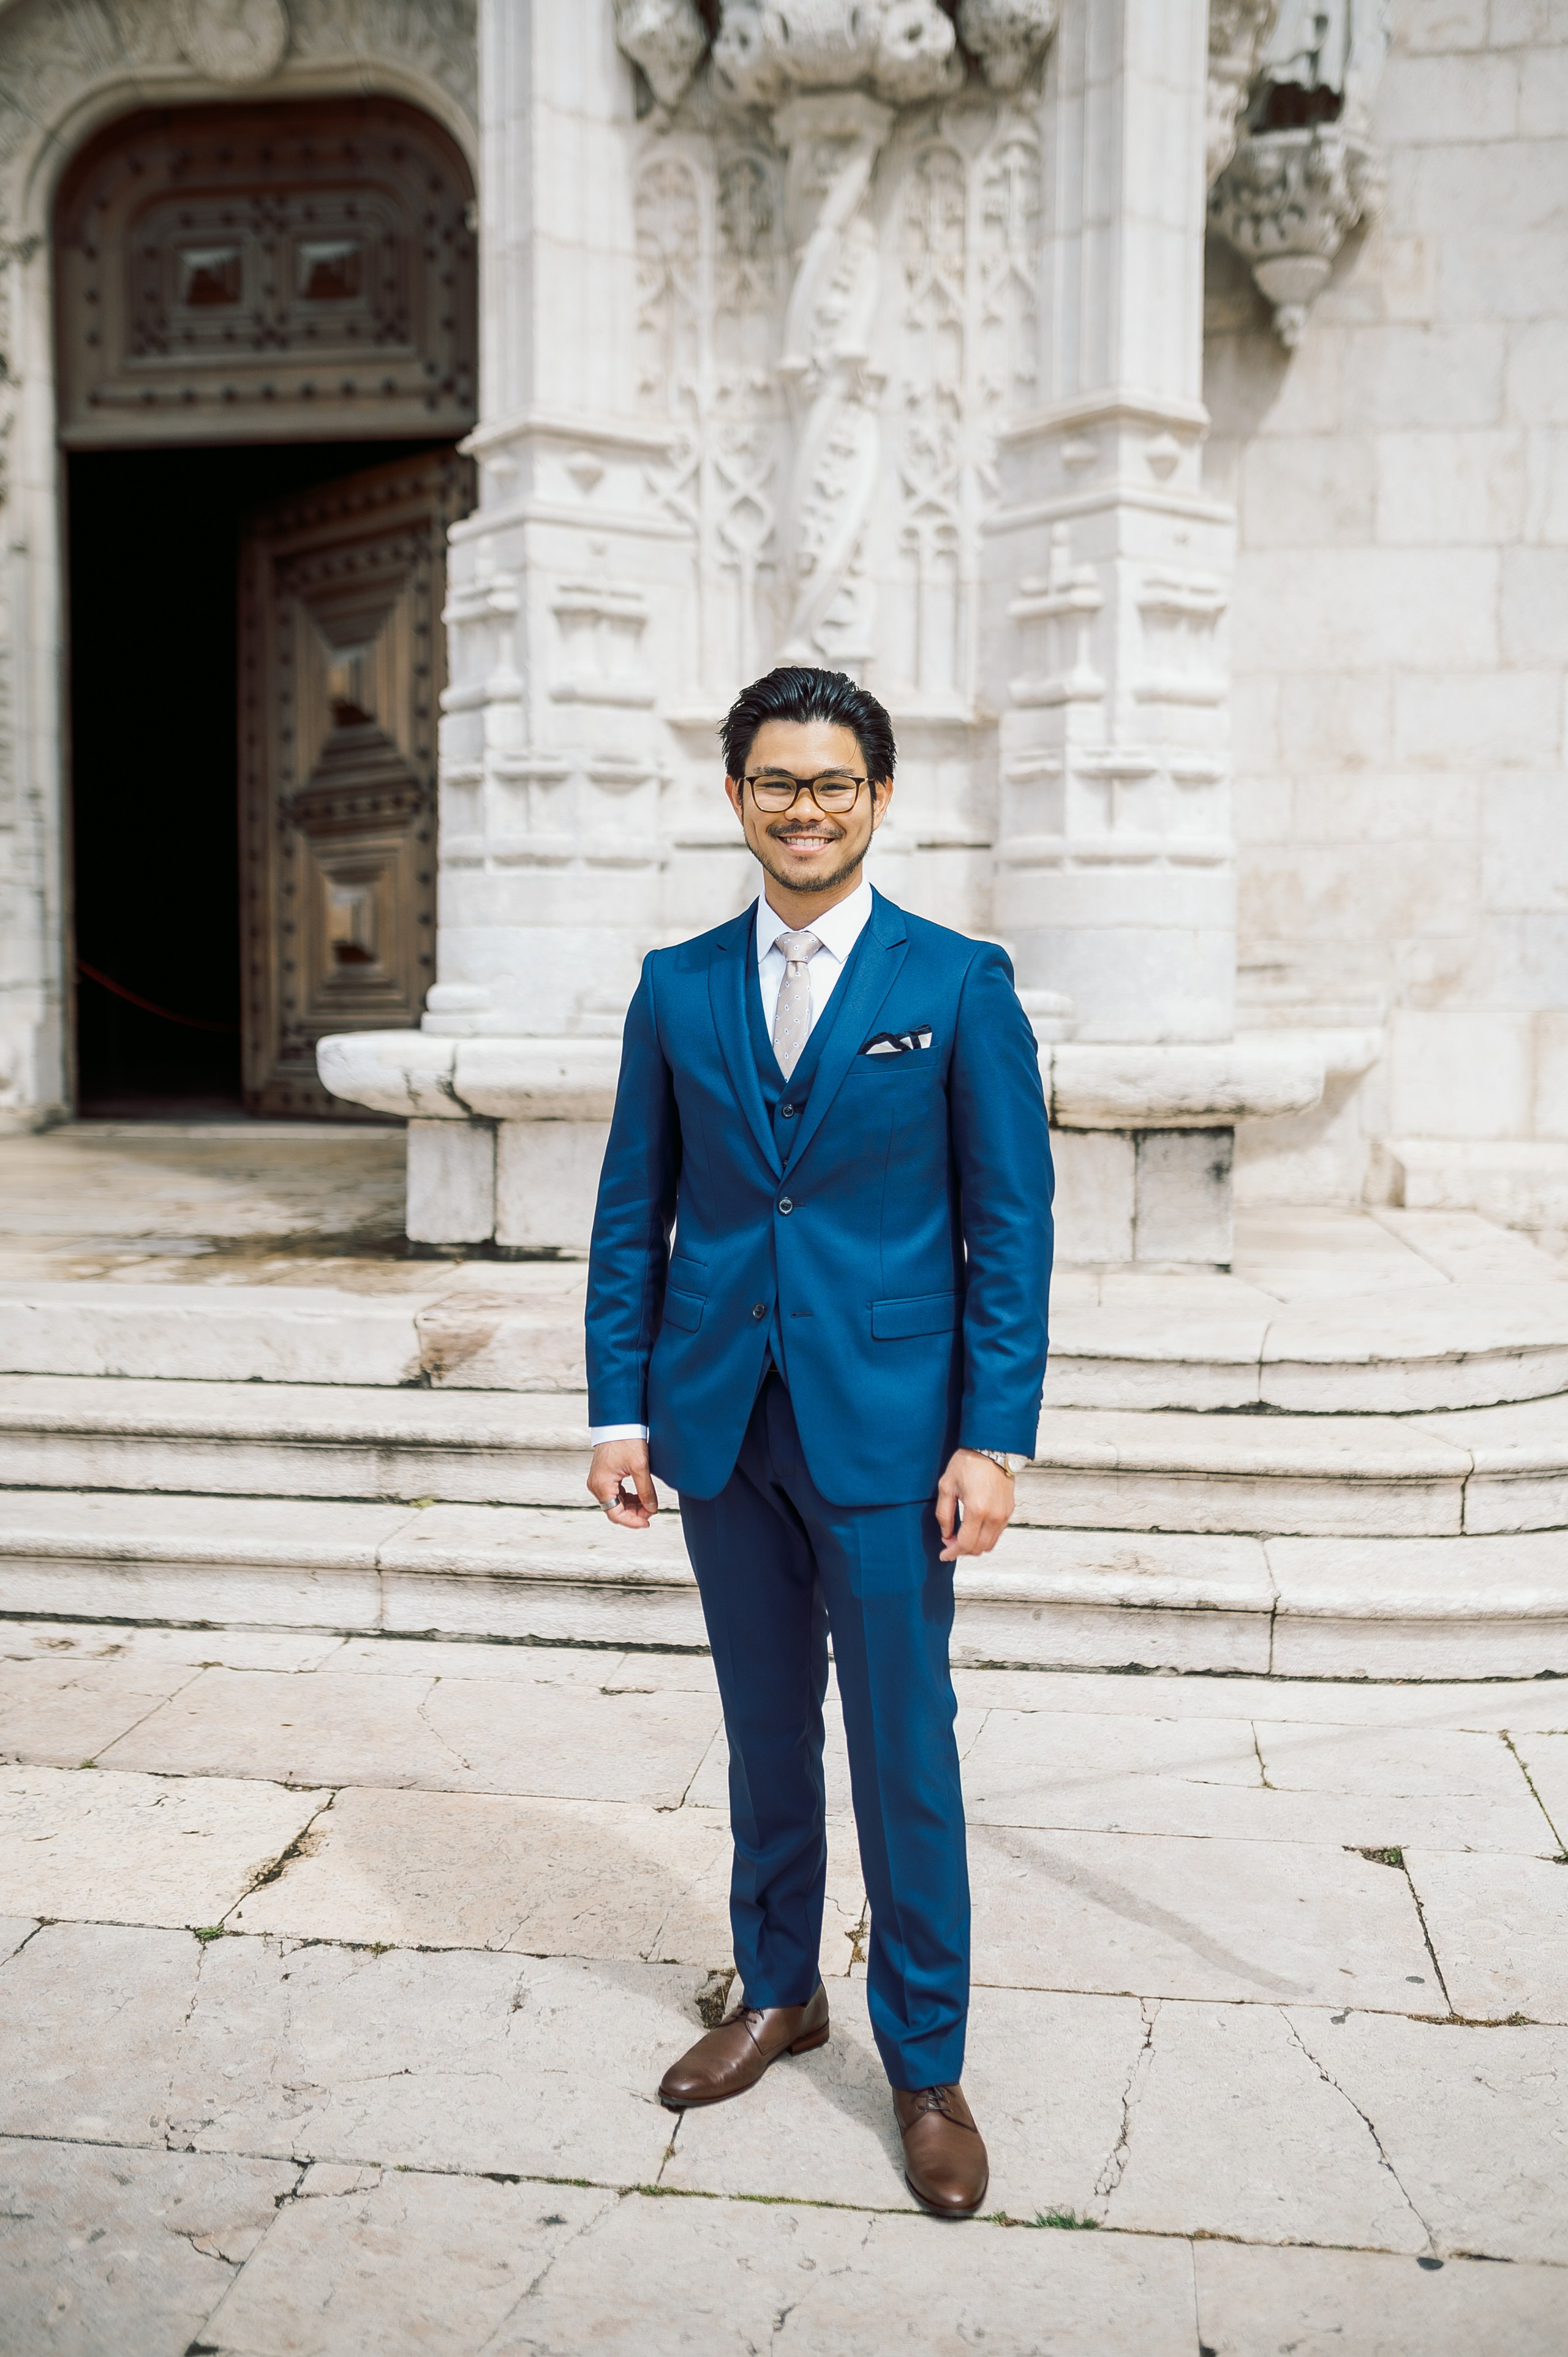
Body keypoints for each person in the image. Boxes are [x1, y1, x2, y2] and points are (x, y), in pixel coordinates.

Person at [584, 665, 1053, 2218]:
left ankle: (926, 2062)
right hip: (720, 1423)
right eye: (775, 783)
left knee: (903, 1752)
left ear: (879, 798)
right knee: (763, 1729)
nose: (803, 808)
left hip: (890, 1435)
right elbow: (628, 1214)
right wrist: (619, 1405)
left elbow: (1007, 1225)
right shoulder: (674, 983)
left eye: (832, 784)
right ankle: (779, 1992)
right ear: (734, 801)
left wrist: (991, 1437)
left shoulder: (957, 983)